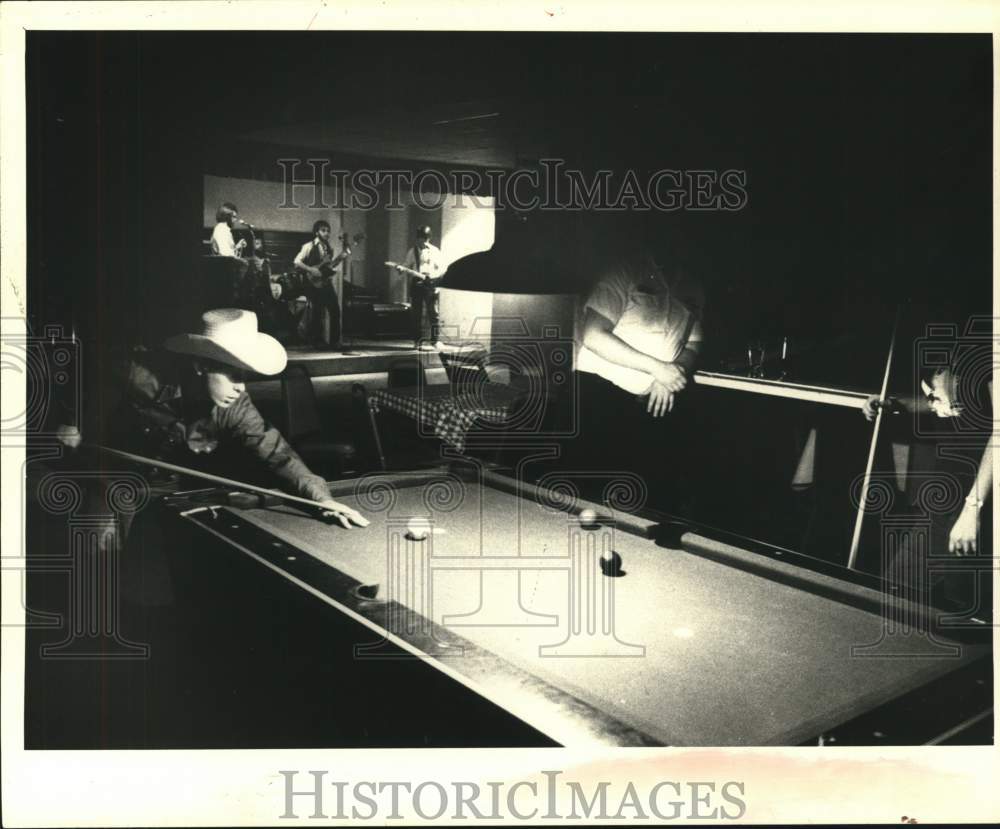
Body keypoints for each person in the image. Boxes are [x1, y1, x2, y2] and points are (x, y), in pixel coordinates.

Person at [570, 249, 704, 501]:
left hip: (654, 401)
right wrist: (658, 368)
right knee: (584, 496)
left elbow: (693, 344)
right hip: (596, 396)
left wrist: (672, 375)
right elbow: (593, 335)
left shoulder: (692, 284)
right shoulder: (624, 270)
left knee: (639, 496)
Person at [293, 220, 346, 347]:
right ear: (317, 232)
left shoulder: (329, 248)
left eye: (328, 231)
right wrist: (311, 269)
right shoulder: (308, 246)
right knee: (317, 312)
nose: (327, 233)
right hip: (313, 283)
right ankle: (315, 342)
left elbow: (328, 266)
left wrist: (339, 259)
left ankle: (334, 342)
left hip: (326, 282)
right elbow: (297, 261)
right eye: (323, 230)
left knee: (335, 310)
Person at [396, 225, 445, 350]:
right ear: (417, 238)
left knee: (433, 313)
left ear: (429, 238)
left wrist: (437, 284)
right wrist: (401, 268)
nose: (423, 241)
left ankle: (435, 341)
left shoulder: (435, 251)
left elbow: (442, 269)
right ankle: (417, 341)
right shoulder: (412, 251)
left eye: (425, 238)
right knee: (416, 314)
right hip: (417, 283)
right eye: (421, 239)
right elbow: (406, 265)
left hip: (432, 282)